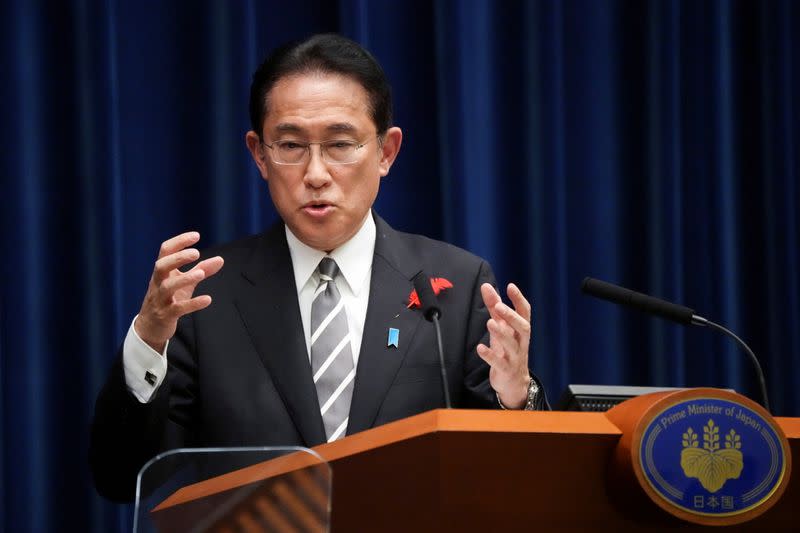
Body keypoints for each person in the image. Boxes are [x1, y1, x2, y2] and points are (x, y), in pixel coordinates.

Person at [90, 33, 546, 502]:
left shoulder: (457, 287)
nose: (315, 173)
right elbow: (121, 477)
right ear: (259, 154)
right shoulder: (206, 297)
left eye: (340, 144)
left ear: (386, 152)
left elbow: (520, 484)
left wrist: (517, 396)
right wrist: (148, 339)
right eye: (290, 145)